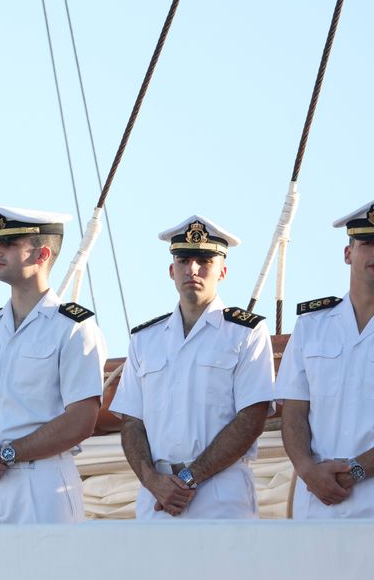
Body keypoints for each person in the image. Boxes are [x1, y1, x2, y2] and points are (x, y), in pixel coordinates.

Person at [0, 206, 106, 524]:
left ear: (41, 254)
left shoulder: (73, 328)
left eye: (10, 244)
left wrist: (10, 452)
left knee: (46, 574)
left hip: (42, 481)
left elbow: (82, 420)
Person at [110, 216, 274, 519]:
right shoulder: (145, 340)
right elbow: (132, 421)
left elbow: (252, 416)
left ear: (222, 271)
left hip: (220, 494)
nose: (193, 270)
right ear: (172, 271)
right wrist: (151, 481)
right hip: (156, 497)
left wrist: (188, 478)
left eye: (204, 261)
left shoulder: (246, 333)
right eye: (184, 260)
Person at [276, 201, 374, 518]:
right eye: (367, 243)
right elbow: (294, 408)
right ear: (348, 254)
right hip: (316, 503)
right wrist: (306, 469)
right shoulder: (312, 325)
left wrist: (356, 470)